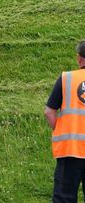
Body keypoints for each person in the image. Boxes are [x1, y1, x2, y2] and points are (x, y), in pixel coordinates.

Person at [45, 40, 85, 202]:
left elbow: (49, 112)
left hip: (70, 149)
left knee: (64, 198)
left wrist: (61, 130)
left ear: (79, 58)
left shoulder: (67, 78)